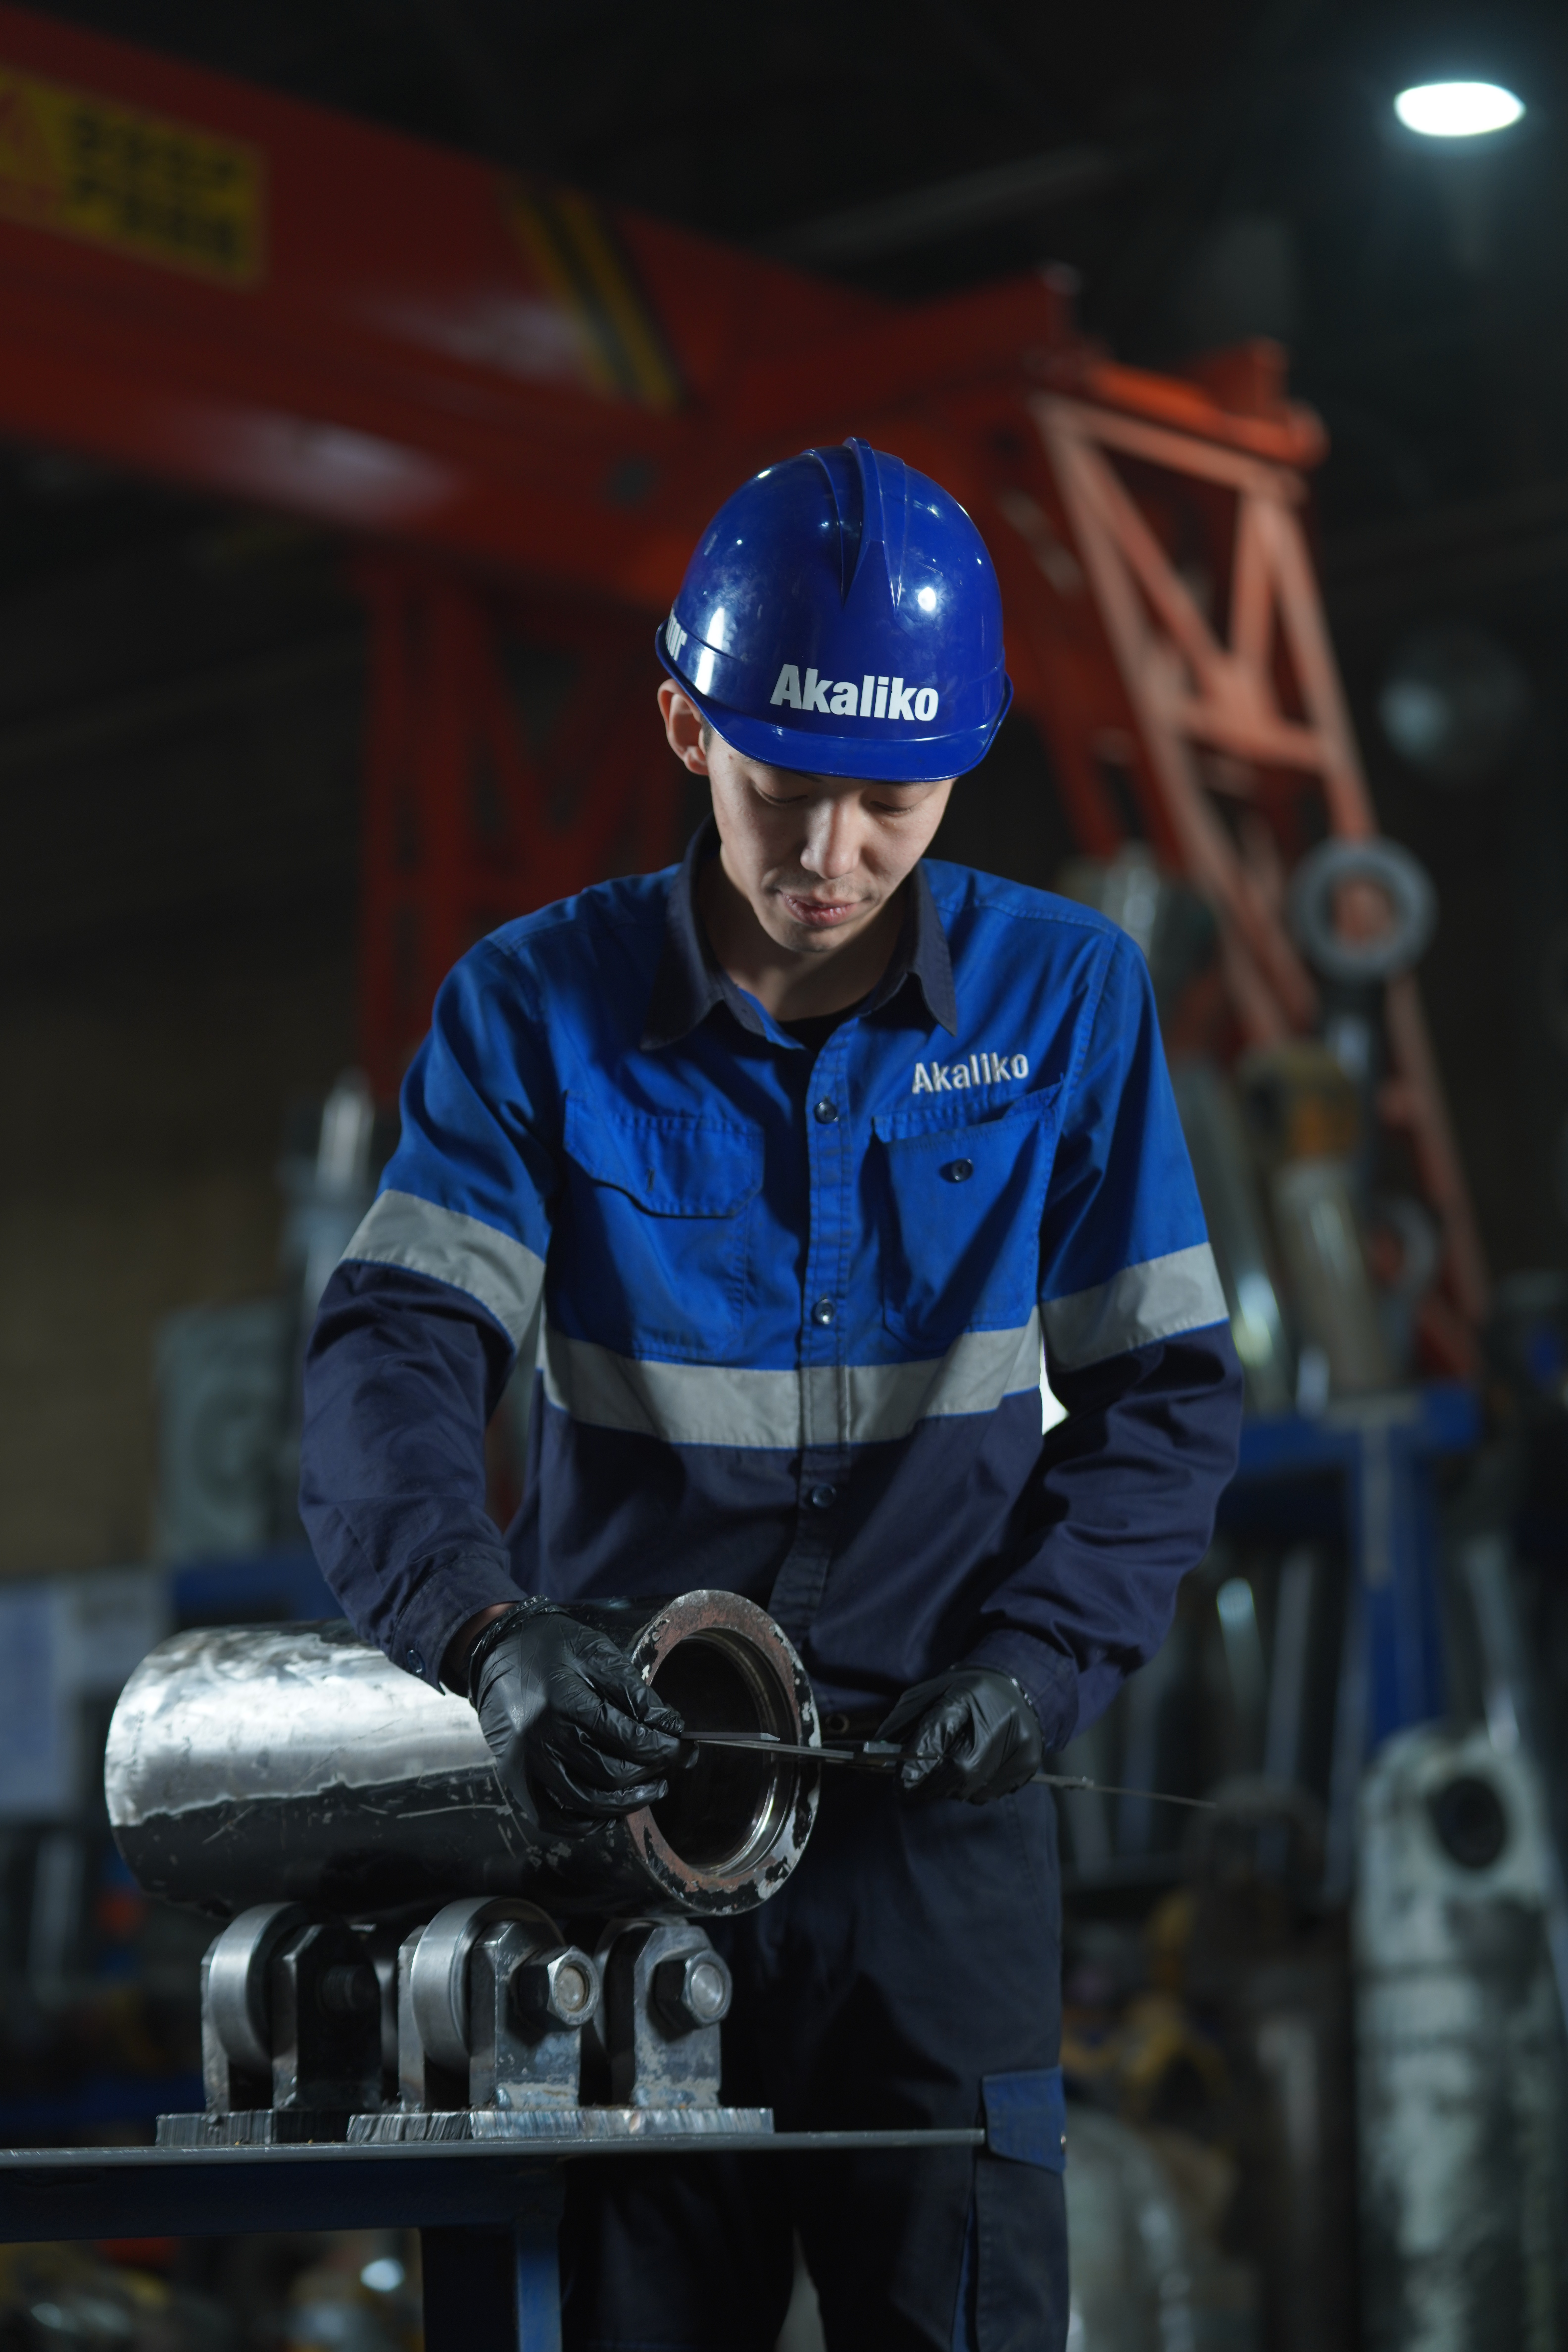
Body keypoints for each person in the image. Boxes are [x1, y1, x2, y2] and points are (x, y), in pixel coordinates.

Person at [300, 437, 1242, 2350]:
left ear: (960, 768)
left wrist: (1043, 1664)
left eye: (889, 807)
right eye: (779, 791)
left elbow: (1163, 1403)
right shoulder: (530, 1013)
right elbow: (395, 1358)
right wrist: (490, 1639)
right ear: (683, 723)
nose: (828, 862)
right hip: (635, 1841)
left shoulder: (1069, 1009)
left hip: (940, 1838)